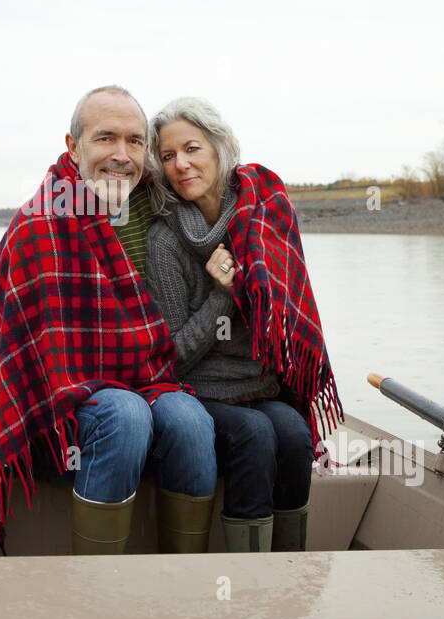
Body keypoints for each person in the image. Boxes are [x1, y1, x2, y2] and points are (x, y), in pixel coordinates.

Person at [0, 86, 217, 557]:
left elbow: (220, 185)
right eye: (106, 138)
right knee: (124, 413)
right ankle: (96, 592)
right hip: (48, 410)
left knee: (191, 421)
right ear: (73, 146)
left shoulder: (148, 211)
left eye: (136, 142)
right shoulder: (41, 220)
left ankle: (187, 585)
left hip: (138, 384)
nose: (122, 155)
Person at [144, 97, 343, 553]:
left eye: (192, 148)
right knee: (254, 435)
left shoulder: (266, 216)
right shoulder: (164, 239)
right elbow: (171, 358)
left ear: (219, 147)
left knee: (293, 432)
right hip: (198, 393)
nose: (181, 164)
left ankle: (288, 571)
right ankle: (247, 582)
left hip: (260, 384)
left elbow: (290, 316)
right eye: (169, 155)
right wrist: (223, 294)